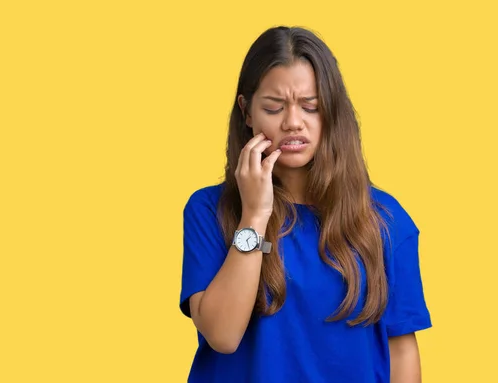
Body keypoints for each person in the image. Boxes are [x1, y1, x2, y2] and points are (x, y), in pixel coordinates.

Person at [178, 26, 432, 383]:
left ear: (331, 112)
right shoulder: (209, 210)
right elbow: (222, 335)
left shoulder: (386, 220)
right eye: (274, 107)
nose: (293, 122)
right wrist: (254, 215)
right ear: (247, 111)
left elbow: (401, 349)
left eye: (310, 107)